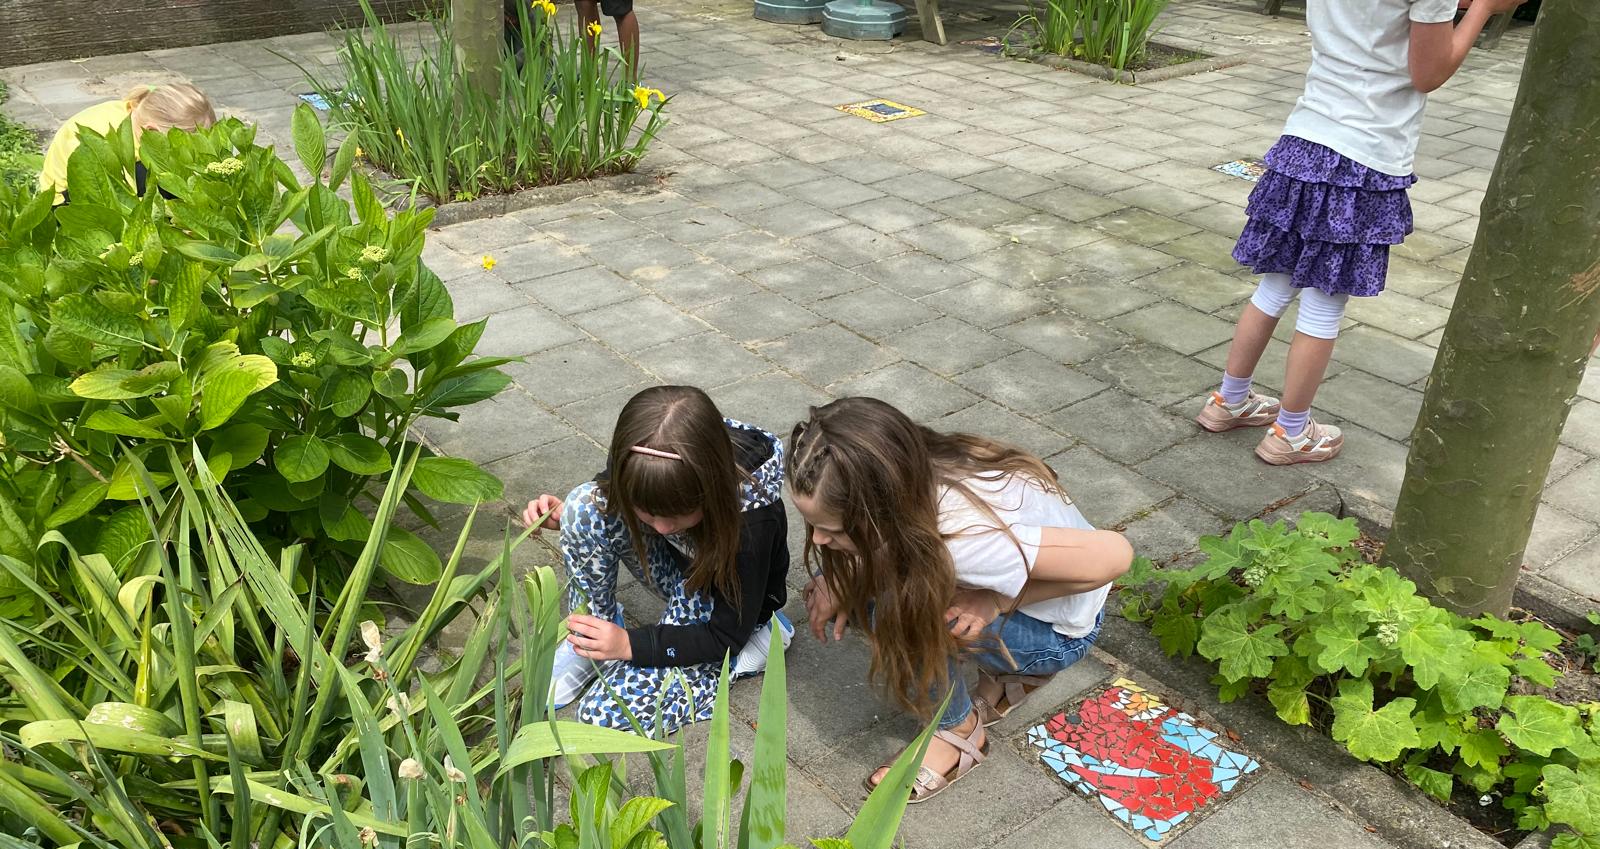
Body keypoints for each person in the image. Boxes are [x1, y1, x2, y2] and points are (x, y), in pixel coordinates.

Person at [1197, 0, 1525, 465]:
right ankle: (1291, 433)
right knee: (1323, 305)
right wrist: (1484, 10)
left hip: (1303, 142)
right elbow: (1428, 73)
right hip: (1363, 158)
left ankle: (1228, 401)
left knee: (1275, 285)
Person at [788, 397, 1133, 802]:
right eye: (812, 524)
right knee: (853, 587)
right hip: (1028, 600)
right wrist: (842, 576)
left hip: (1058, 635)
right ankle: (1002, 676)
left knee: (897, 609)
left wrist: (996, 601)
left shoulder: (965, 541)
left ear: (884, 505)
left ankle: (957, 730)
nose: (818, 539)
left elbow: (1116, 555)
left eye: (833, 530)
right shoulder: (914, 474)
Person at [520, 386, 792, 733]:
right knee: (583, 507)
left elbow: (722, 636)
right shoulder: (642, 459)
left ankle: (761, 638)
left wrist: (630, 644)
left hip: (724, 611)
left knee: (603, 716)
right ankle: (590, 638)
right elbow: (607, 496)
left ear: (711, 487)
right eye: (648, 513)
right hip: (686, 577)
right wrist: (567, 516)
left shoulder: (751, 526)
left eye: (677, 514)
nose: (662, 528)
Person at [39, 84, 216, 204]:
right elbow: (112, 193)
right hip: (66, 198)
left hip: (103, 179)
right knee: (162, 182)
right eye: (180, 144)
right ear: (152, 131)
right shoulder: (107, 141)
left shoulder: (145, 106)